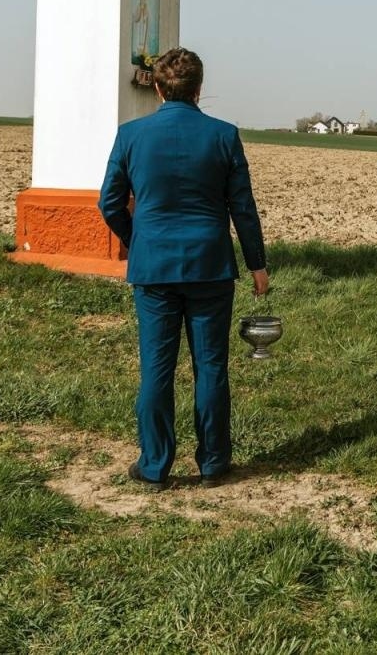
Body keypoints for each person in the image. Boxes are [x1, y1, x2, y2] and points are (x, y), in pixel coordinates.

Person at [98, 47, 268, 490]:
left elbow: (109, 203)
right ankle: (213, 462)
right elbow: (243, 208)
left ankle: (154, 466)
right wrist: (257, 265)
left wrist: (137, 239)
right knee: (211, 366)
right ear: (199, 89)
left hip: (153, 267)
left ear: (157, 87)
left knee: (156, 367)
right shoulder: (224, 136)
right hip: (210, 265)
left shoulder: (130, 136)